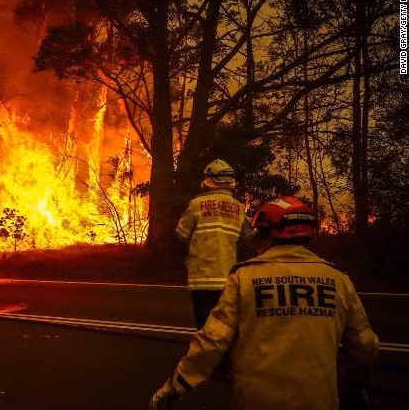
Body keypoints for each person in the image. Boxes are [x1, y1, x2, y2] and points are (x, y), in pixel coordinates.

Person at [150, 196, 380, 410]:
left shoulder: (245, 277)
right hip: (319, 401)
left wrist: (175, 386)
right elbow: (365, 346)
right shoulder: (338, 279)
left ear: (267, 233)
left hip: (257, 401)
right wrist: (352, 387)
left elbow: (213, 339)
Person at [175, 159, 254, 328]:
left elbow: (181, 234)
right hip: (228, 279)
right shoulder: (239, 208)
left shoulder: (196, 204)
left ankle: (205, 354)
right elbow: (249, 236)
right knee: (225, 327)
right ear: (230, 181)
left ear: (209, 180)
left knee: (205, 329)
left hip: (201, 279)